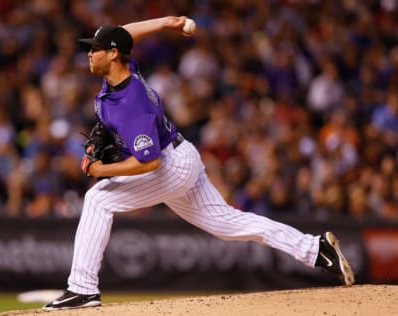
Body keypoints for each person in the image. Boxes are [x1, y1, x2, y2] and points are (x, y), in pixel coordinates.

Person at [43, 16, 355, 311]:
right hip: (181, 155)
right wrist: (167, 23)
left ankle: (82, 288)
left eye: (95, 49)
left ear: (112, 55)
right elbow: (125, 33)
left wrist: (100, 170)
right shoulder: (125, 69)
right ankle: (316, 249)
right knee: (228, 224)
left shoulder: (130, 102)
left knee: (98, 199)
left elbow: (148, 163)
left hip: (168, 166)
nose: (89, 53)